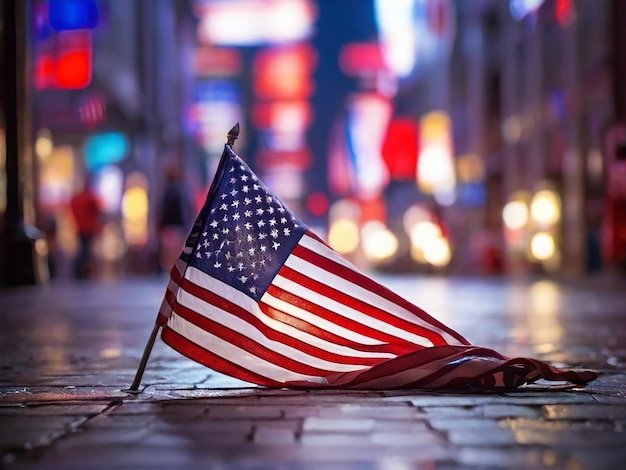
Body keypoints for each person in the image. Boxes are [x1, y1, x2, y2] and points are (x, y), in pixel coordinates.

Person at [157, 166, 194, 273]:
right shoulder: (180, 191)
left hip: (170, 226)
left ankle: (169, 269)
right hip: (177, 226)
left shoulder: (168, 192)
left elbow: (164, 212)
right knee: (174, 251)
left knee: (169, 252)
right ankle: (174, 269)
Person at [69, 174, 103, 279]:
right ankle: (84, 271)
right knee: (86, 250)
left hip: (80, 228)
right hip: (89, 228)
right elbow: (98, 210)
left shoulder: (76, 199)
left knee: (83, 249)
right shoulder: (90, 197)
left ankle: (80, 271)